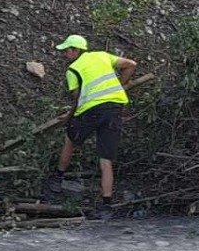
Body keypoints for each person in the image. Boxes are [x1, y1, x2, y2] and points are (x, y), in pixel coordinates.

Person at [45, 34, 136, 219]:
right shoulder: (102, 56)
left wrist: (68, 118)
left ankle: (58, 178)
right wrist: (120, 86)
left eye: (67, 50)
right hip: (114, 108)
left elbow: (77, 100)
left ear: (76, 50)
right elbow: (131, 64)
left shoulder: (73, 69)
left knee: (70, 140)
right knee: (106, 159)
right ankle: (106, 206)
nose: (65, 54)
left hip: (90, 111)